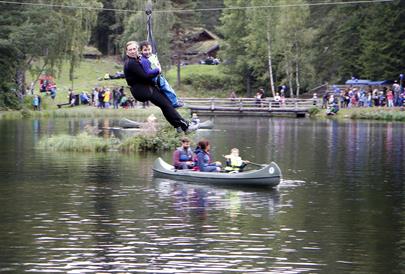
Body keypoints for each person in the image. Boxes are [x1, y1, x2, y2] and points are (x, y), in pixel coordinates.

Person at [124, 41, 197, 133]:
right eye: (130, 50)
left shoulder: (135, 60)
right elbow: (145, 76)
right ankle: (186, 126)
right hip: (143, 91)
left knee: (165, 105)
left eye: (134, 49)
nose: (133, 51)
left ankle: (178, 126)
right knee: (166, 104)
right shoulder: (131, 63)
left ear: (137, 49)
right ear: (127, 52)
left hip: (142, 90)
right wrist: (158, 70)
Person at [138, 40, 183, 108]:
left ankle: (174, 100)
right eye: (145, 50)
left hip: (158, 77)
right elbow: (148, 72)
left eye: (149, 49)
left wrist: (156, 64)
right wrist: (158, 69)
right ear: (141, 51)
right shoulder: (144, 60)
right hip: (156, 78)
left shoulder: (148, 58)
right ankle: (174, 103)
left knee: (168, 89)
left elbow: (152, 66)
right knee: (168, 89)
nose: (147, 52)